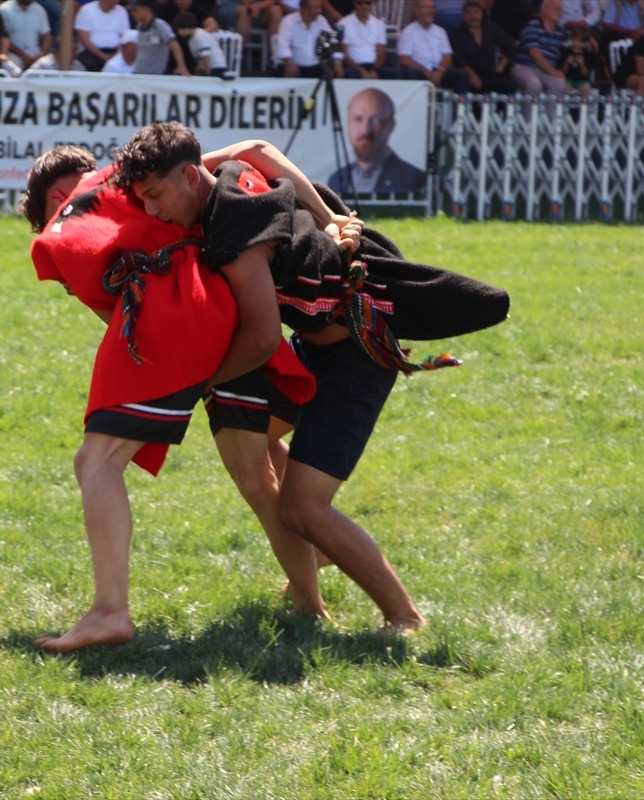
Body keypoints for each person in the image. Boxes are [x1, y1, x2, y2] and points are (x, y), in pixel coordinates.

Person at [114, 122, 510, 644]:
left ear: (189, 177)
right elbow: (256, 147)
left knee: (303, 508)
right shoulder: (223, 174)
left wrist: (192, 385)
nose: (153, 211)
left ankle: (404, 617)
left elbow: (258, 340)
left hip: (356, 362)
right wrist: (332, 220)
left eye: (156, 195)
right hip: (314, 353)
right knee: (260, 440)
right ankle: (320, 550)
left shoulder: (233, 228)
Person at [22, 140, 368, 650]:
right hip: (231, 315)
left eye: (58, 210)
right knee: (257, 472)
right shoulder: (143, 190)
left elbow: (122, 322)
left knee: (96, 460)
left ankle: (109, 611)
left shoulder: (104, 198)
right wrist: (331, 219)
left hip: (200, 316)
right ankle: (308, 597)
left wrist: (332, 219)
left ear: (59, 195)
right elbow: (256, 149)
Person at [328, 87, 426, 195]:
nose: (365, 129)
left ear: (391, 126)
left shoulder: (412, 178)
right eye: (358, 118)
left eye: (377, 120)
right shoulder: (336, 179)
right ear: (348, 123)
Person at [396, 0, 469, 92]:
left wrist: (440, 72)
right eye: (426, 7)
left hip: (440, 71)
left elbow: (448, 57)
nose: (431, 10)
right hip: (420, 72)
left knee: (460, 75)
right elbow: (405, 59)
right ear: (416, 11)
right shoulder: (407, 32)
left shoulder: (440, 31)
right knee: (412, 73)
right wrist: (426, 72)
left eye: (432, 7)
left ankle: (459, 105)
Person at [449, 0, 516, 94]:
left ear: (481, 13)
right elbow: (459, 60)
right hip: (469, 74)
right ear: (463, 16)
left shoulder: (491, 27)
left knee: (509, 86)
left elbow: (510, 45)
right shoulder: (457, 33)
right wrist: (472, 76)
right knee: (474, 89)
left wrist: (501, 65)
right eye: (469, 13)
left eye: (476, 12)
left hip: (491, 72)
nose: (473, 16)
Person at [510, 0, 569, 97]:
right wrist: (553, 72)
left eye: (561, 9)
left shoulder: (560, 31)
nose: (560, 12)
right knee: (534, 84)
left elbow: (572, 44)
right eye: (556, 9)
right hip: (525, 66)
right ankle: (528, 112)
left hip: (545, 70)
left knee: (559, 83)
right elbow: (534, 53)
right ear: (545, 11)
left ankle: (549, 112)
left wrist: (589, 38)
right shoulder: (533, 26)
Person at [273, 0, 339, 78]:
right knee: (286, 70)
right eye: (317, 8)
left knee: (333, 70)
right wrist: (289, 62)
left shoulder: (321, 20)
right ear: (306, 9)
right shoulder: (288, 21)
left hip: (315, 67)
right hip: (294, 66)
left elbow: (332, 41)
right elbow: (283, 45)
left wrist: (337, 61)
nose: (321, 11)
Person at [128, 0, 189, 75]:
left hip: (155, 74)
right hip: (138, 72)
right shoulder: (139, 26)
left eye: (135, 10)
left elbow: (174, 45)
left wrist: (181, 66)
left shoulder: (160, 26)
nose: (132, 14)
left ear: (146, 9)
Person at [73, 0, 130, 71]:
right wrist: (103, 56)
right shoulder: (86, 10)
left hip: (115, 52)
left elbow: (124, 37)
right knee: (91, 64)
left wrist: (116, 56)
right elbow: (84, 40)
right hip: (91, 52)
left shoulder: (122, 11)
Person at [338, 0, 388, 80]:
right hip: (353, 67)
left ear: (373, 4)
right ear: (354, 3)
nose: (363, 6)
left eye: (367, 3)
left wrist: (374, 70)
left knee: (395, 74)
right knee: (350, 73)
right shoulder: (343, 23)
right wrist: (361, 70)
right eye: (359, 3)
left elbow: (381, 54)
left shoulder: (379, 24)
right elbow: (345, 55)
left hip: (373, 66)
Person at [0, 0, 52, 70]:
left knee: (48, 68)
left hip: (35, 55)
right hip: (13, 54)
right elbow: (3, 37)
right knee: (11, 69)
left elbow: (47, 37)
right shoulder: (4, 9)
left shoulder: (40, 10)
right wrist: (21, 55)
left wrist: (42, 53)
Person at [173, 10, 226, 76]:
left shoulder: (200, 35)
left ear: (185, 27)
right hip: (205, 67)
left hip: (215, 66)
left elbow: (205, 56)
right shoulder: (191, 39)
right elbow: (198, 58)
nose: (178, 33)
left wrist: (208, 73)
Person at [559, 21, 600, 96]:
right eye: (574, 40)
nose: (576, 42)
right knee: (565, 88)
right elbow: (562, 72)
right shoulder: (566, 51)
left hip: (582, 80)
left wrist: (582, 65)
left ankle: (585, 107)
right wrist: (567, 63)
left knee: (586, 90)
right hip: (569, 79)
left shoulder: (586, 53)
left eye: (579, 41)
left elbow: (586, 74)